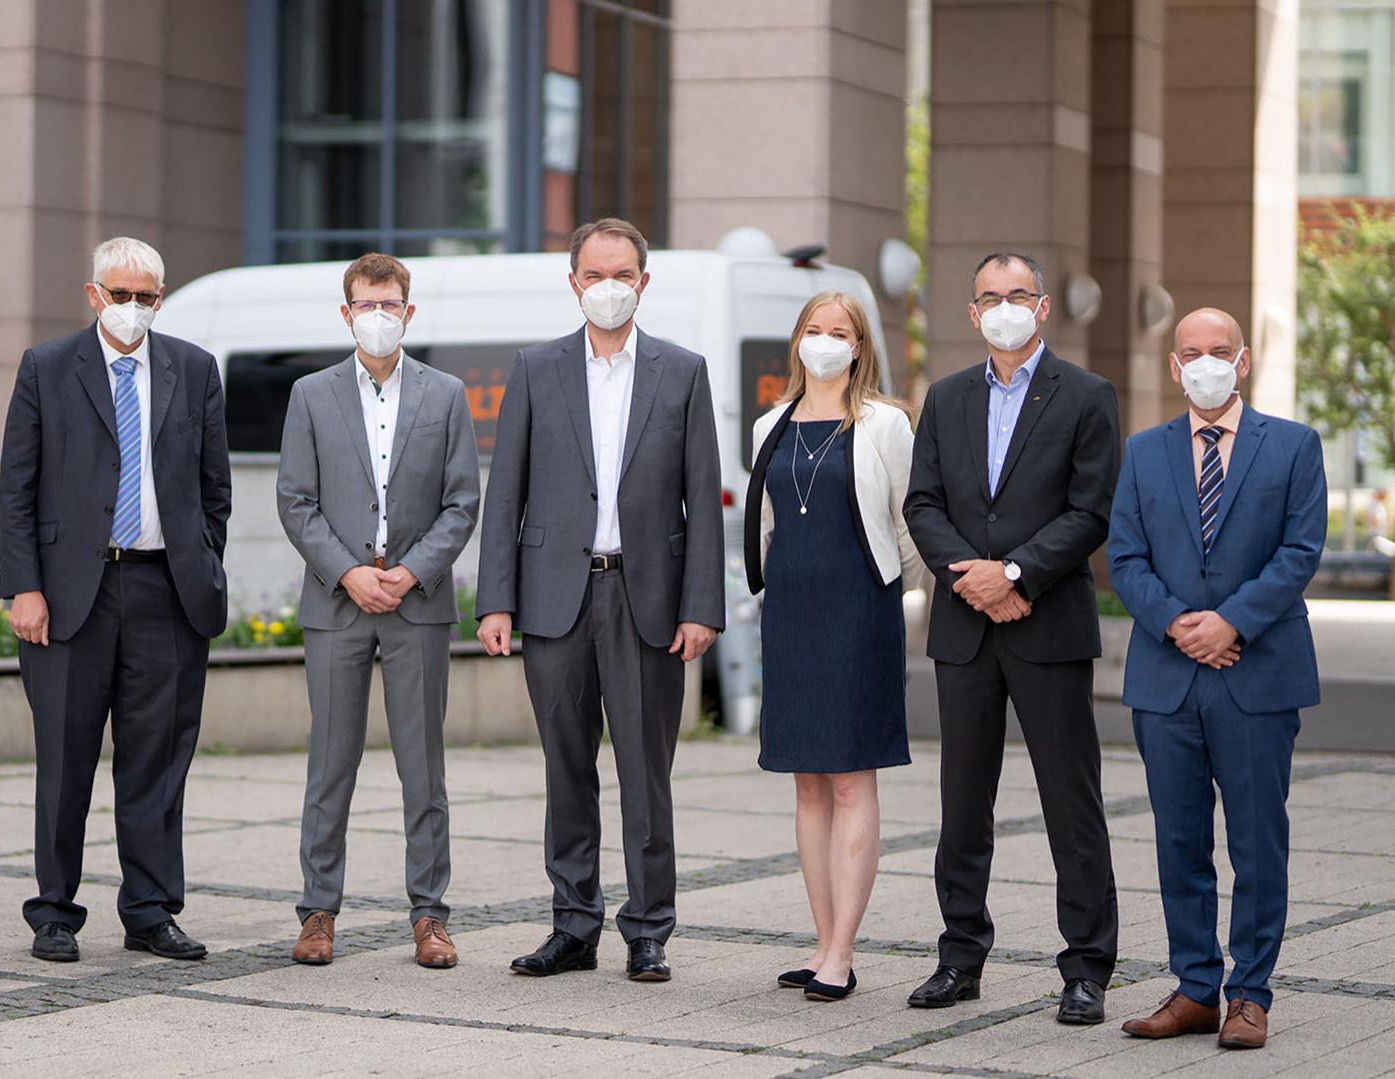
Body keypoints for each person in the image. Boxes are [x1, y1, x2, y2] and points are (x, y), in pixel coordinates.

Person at [476, 217, 724, 983]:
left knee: (645, 775)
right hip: (555, 599)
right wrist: (495, 600)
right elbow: (505, 490)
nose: (608, 287)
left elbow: (701, 502)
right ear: (574, 280)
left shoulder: (680, 371)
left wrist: (701, 606)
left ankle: (647, 929)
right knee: (566, 769)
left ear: (642, 283)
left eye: (623, 275)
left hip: (647, 597)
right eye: (595, 274)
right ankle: (572, 924)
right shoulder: (534, 367)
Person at [901, 252, 1122, 1024]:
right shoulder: (945, 397)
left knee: (1071, 800)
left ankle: (1086, 965)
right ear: (970, 313)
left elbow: (1090, 510)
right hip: (964, 626)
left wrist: (1017, 573)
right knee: (962, 804)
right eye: (988, 297)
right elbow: (921, 501)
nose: (1002, 307)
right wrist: (973, 578)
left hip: (1047, 625)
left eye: (1016, 295)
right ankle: (959, 954)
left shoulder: (1088, 396)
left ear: (1042, 306)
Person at [0, 236, 231, 964]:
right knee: (65, 760)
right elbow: (17, 490)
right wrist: (24, 586)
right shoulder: (46, 367)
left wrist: (200, 560)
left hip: (167, 589)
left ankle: (151, 909)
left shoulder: (193, 370)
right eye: (120, 294)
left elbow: (215, 488)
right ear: (93, 293)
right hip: (71, 595)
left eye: (146, 296)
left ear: (159, 298)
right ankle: (55, 912)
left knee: (156, 761)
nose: (132, 308)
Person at [1109, 308, 1324, 1051]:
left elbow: (1299, 551)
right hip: (1165, 678)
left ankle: (1249, 994)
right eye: (1191, 352)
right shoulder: (1140, 452)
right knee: (1178, 840)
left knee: (1258, 842)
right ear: (1173, 366)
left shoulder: (1293, 445)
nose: (1205, 363)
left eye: (1219, 351)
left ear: (1243, 361)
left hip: (1256, 673)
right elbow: (1124, 559)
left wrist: (1229, 621)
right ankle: (1196, 986)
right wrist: (1179, 624)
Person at [276, 253, 481, 970]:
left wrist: (411, 572)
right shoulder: (310, 393)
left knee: (423, 770)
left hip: (416, 607)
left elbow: (463, 501)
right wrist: (349, 571)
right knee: (329, 764)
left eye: (389, 304)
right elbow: (294, 499)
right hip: (337, 604)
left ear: (408, 312)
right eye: (366, 304)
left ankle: (430, 915)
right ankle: (317, 911)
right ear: (345, 313)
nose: (378, 316)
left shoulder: (446, 393)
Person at [742, 291, 922, 1002]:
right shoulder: (768, 425)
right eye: (812, 330)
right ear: (797, 341)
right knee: (806, 779)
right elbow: (762, 522)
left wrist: (880, 594)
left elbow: (908, 529)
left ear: (858, 346)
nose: (823, 341)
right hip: (790, 613)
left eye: (837, 332)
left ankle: (841, 952)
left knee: (850, 778)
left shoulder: (885, 424)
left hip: (857, 612)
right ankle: (820, 943)